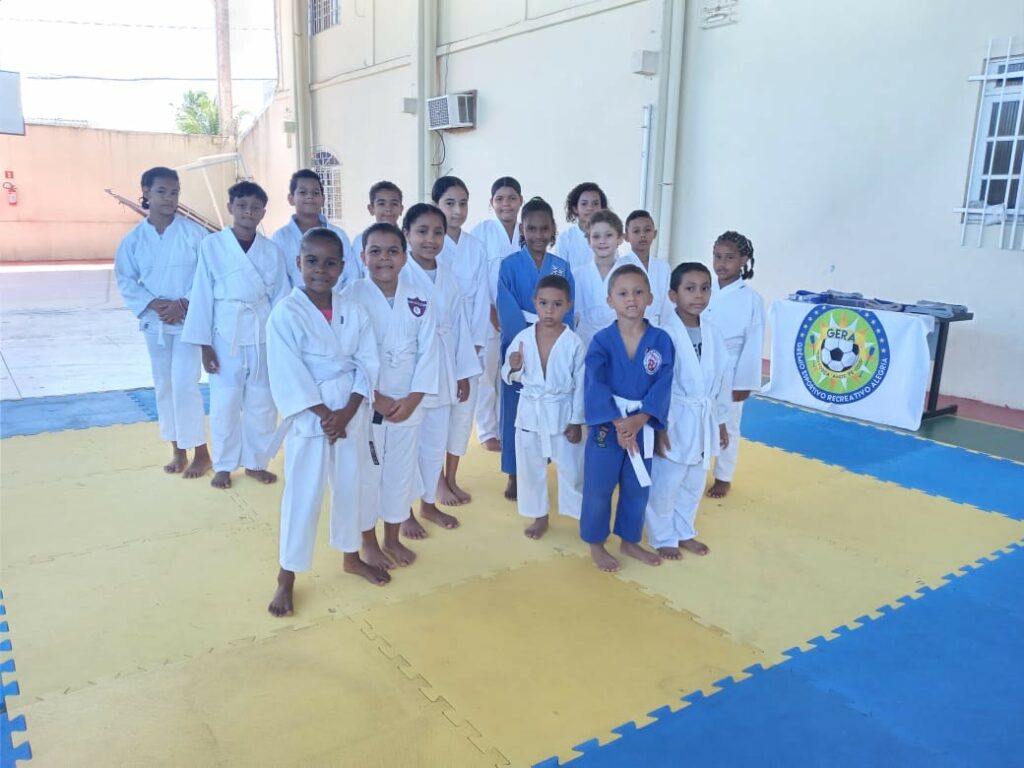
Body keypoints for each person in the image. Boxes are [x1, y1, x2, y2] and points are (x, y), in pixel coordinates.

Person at [266, 228, 388, 615]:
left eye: (330, 262)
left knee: (352, 485)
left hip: (350, 408)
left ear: (342, 267)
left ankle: (351, 555)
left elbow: (367, 361)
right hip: (310, 414)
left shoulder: (353, 309)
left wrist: (348, 410)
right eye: (312, 261)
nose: (321, 269)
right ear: (298, 263)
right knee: (302, 493)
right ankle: (286, 575)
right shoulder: (286, 313)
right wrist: (323, 414)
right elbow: (287, 371)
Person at [339, 223, 436, 570]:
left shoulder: (419, 298)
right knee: (367, 475)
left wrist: (414, 399)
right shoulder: (349, 297)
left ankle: (393, 537)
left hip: (408, 402)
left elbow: (429, 352)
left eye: (393, 251)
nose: (384, 259)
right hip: (367, 402)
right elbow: (345, 356)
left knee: (400, 472)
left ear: (404, 256)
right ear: (362, 256)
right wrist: (374, 395)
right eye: (375, 252)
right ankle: (368, 542)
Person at [181, 181, 289, 489]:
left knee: (262, 402)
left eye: (255, 208)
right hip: (225, 335)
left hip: (262, 334)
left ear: (263, 212)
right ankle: (224, 464)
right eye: (242, 206)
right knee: (224, 403)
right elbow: (202, 295)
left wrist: (282, 343)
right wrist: (205, 346)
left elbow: (281, 298)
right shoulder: (212, 245)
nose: (248, 212)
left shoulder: (272, 251)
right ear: (231, 208)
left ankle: (256, 462)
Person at [114, 166, 212, 478]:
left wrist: (183, 303)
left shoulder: (194, 234)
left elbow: (206, 275)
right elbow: (126, 279)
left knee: (185, 385)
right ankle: (177, 449)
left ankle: (201, 452)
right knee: (164, 386)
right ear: (146, 192)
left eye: (174, 192)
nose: (169, 198)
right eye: (161, 191)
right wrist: (155, 304)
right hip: (155, 321)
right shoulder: (133, 240)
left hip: (187, 320)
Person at [580, 265, 674, 572]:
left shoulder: (661, 340)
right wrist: (619, 422)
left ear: (651, 297)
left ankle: (629, 540)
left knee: (637, 487)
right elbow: (594, 383)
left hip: (641, 425)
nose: (631, 298)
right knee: (599, 486)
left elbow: (663, 383)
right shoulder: (601, 341)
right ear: (610, 301)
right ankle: (596, 543)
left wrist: (641, 418)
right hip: (608, 426)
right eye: (623, 293)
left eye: (638, 292)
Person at [401, 203, 480, 537]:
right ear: (407, 234)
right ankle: (403, 511)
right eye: (422, 231)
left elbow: (459, 325)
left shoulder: (447, 275)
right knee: (407, 443)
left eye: (438, 232)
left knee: (434, 441)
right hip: (409, 371)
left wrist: (463, 372)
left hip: (444, 366)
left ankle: (429, 503)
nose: (430, 239)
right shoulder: (399, 272)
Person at [648, 263, 730, 559]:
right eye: (690, 288)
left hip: (703, 416)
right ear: (673, 295)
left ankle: (684, 531)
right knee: (667, 481)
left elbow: (723, 380)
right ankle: (662, 536)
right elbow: (655, 385)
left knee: (694, 479)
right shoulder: (663, 335)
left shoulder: (713, 333)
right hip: (674, 416)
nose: (698, 295)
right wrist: (659, 426)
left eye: (705, 288)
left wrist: (721, 422)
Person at [496, 197, 575, 501]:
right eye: (531, 229)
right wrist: (527, 341)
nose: (538, 235)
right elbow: (506, 306)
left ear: (553, 229)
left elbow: (568, 306)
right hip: (522, 342)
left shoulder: (561, 267)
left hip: (554, 339)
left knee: (551, 408)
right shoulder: (509, 265)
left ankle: (543, 467)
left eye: (544, 229)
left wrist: (556, 339)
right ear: (522, 229)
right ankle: (515, 473)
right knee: (516, 411)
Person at [500, 275, 585, 539]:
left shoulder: (574, 343)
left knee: (572, 468)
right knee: (530, 468)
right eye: (543, 303)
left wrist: (577, 420)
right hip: (531, 413)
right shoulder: (523, 338)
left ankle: (580, 515)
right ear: (534, 302)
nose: (549, 310)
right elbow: (509, 374)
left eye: (557, 304)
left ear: (568, 305)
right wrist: (513, 367)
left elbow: (582, 385)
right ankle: (539, 516)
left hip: (562, 413)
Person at [434, 177, 489, 503]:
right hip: (439, 339)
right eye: (450, 203)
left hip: (470, 339)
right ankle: (437, 479)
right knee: (437, 412)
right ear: (437, 204)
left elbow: (482, 298)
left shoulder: (475, 247)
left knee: (463, 413)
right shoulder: (428, 245)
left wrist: (476, 343)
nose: (457, 210)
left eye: (463, 203)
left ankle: (452, 476)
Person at [703, 231, 764, 499]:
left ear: (744, 260)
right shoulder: (703, 289)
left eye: (729, 257)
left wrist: (745, 382)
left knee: (728, 423)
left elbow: (753, 343)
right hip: (701, 362)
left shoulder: (751, 299)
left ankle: (723, 476)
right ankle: (694, 466)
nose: (722, 263)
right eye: (717, 256)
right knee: (697, 418)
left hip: (732, 366)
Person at [470, 176, 524, 453]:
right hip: (488, 315)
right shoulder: (481, 232)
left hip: (520, 316)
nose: (506, 204)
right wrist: (492, 312)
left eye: (512, 198)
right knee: (487, 374)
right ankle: (487, 431)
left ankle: (508, 427)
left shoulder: (527, 232)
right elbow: (478, 278)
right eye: (500, 199)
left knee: (512, 373)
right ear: (491, 203)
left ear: (520, 201)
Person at [270, 169, 358, 292]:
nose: (309, 196)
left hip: (338, 301)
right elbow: (279, 282)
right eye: (303, 192)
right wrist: (296, 303)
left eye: (315, 193)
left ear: (323, 199)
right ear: (291, 198)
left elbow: (352, 276)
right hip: (296, 302)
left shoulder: (339, 235)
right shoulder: (281, 238)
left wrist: (339, 301)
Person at [573, 209, 623, 347]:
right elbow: (572, 316)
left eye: (608, 235)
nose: (602, 241)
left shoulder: (627, 273)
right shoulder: (577, 274)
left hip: (619, 341)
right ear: (588, 240)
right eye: (596, 236)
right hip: (584, 342)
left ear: (620, 238)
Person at [618, 209, 672, 326]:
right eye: (636, 231)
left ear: (655, 234)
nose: (642, 235)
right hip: (628, 325)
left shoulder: (663, 267)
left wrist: (664, 331)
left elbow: (668, 306)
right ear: (626, 236)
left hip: (658, 326)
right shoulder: (620, 265)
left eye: (647, 230)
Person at [348, 181, 404, 280]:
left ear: (401, 209)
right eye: (381, 204)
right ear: (371, 209)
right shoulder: (359, 241)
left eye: (394, 204)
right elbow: (354, 276)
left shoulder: (408, 240)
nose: (388, 209)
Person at [555, 182, 607, 272]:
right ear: (575, 208)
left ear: (602, 208)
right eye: (584, 204)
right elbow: (558, 272)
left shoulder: (609, 236)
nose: (590, 208)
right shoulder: (565, 238)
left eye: (595, 204)